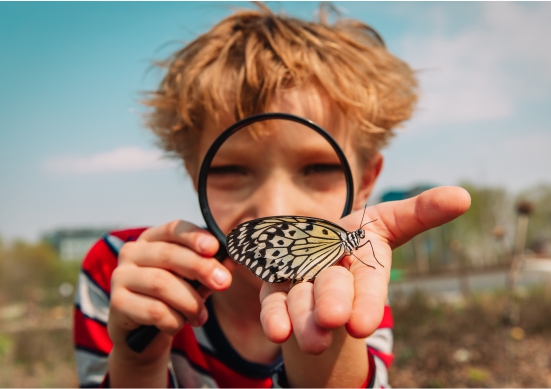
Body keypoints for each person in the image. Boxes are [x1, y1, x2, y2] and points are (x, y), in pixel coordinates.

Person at [74, 4, 470, 388]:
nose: (274, 207)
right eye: (230, 170)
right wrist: (137, 363)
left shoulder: (357, 297)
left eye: (317, 168)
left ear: (365, 180)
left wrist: (330, 360)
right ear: (195, 175)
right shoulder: (120, 269)